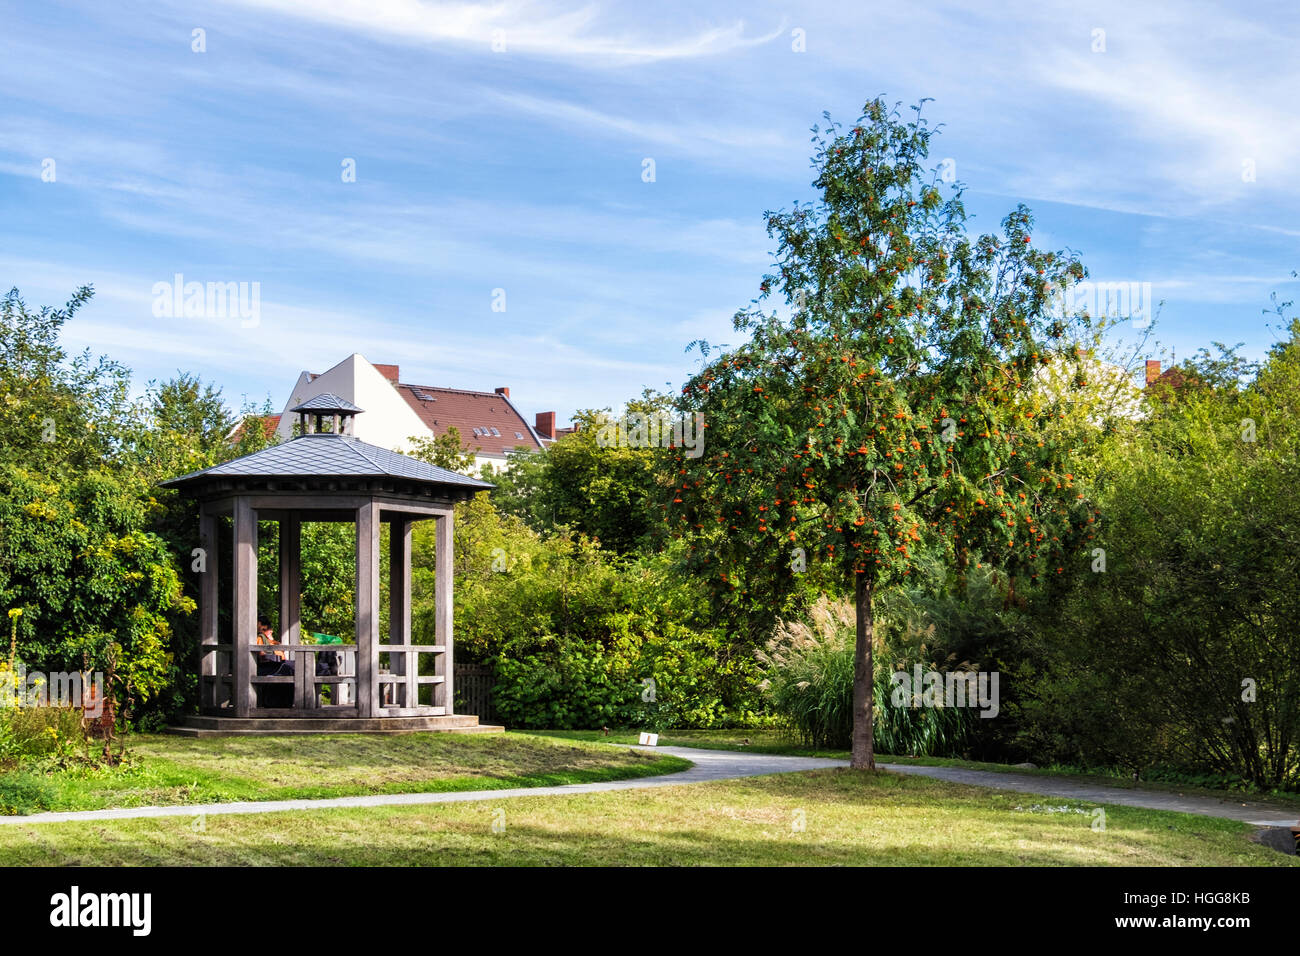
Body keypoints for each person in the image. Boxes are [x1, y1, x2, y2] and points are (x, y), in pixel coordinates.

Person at [255, 615, 294, 707]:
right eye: (267, 630)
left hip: (277, 665)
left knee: (291, 668)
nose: (270, 632)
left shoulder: (273, 642)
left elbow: (281, 652)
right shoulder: (260, 638)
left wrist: (272, 640)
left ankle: (285, 702)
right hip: (268, 667)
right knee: (289, 668)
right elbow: (262, 655)